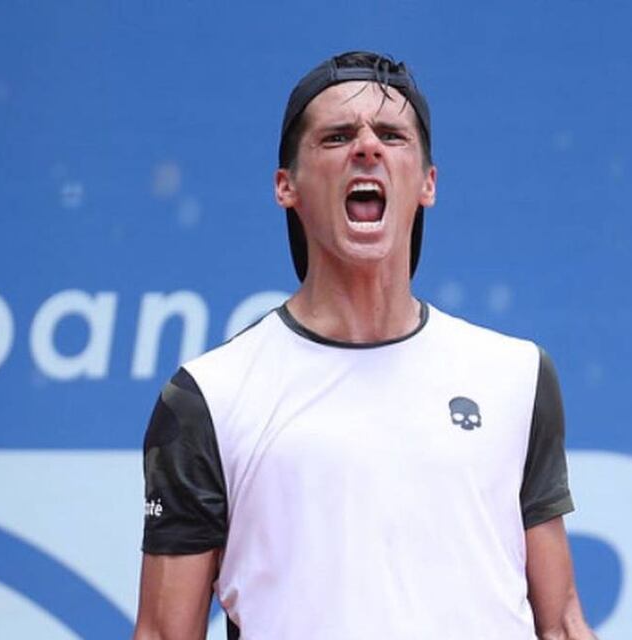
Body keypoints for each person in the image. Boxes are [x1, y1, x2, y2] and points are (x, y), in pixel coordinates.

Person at [133, 51, 595, 640]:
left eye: (393, 134)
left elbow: (560, 623)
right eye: (337, 136)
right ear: (286, 186)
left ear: (428, 182)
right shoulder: (207, 398)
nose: (367, 147)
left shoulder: (517, 375)